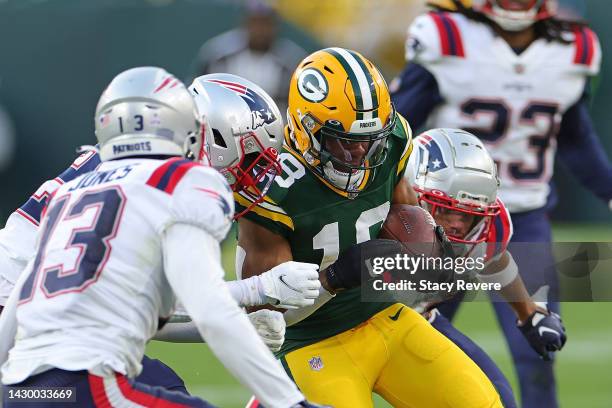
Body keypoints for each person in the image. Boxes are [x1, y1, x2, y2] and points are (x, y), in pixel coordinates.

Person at [0, 67, 325, 408]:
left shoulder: (91, 181)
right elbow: (206, 305)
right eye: (253, 157)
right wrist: (260, 290)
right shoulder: (174, 181)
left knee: (166, 384)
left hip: (27, 371)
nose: (253, 178)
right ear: (216, 139)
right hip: (68, 366)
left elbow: (137, 313)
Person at [236, 47, 503, 407]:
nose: (361, 154)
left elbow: (407, 216)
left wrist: (428, 259)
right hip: (312, 342)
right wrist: (337, 277)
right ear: (305, 129)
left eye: (369, 140)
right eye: (344, 142)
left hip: (383, 314)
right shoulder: (273, 187)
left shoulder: (391, 144)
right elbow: (266, 320)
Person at [391, 1, 612, 406]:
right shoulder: (448, 37)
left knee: (538, 349)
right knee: (415, 342)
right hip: (445, 220)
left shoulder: (571, 48)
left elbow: (576, 140)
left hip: (523, 217)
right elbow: (396, 129)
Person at [406, 128, 568, 407]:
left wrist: (529, 314)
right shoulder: (372, 216)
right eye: (446, 209)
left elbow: (492, 260)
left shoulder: (487, 227)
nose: (457, 224)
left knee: (497, 400)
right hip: (347, 329)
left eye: (467, 215)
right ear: (409, 193)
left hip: (416, 322)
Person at [190, 0, 305, 114]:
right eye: (255, 22)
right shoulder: (219, 56)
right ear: (245, 22)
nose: (260, 30)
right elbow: (197, 94)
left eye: (265, 23)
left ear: (275, 25)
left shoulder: (290, 64)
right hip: (225, 125)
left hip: (277, 129)